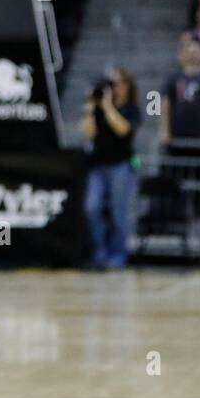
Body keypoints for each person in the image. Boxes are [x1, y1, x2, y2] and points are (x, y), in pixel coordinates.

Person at [82, 69, 139, 270]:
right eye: (111, 84)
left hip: (121, 166)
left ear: (127, 86)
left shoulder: (131, 108)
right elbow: (89, 133)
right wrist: (90, 107)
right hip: (98, 166)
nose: (114, 88)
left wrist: (107, 107)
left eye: (118, 83)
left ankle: (118, 255)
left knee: (118, 212)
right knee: (91, 207)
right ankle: (100, 251)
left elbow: (123, 130)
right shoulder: (97, 108)